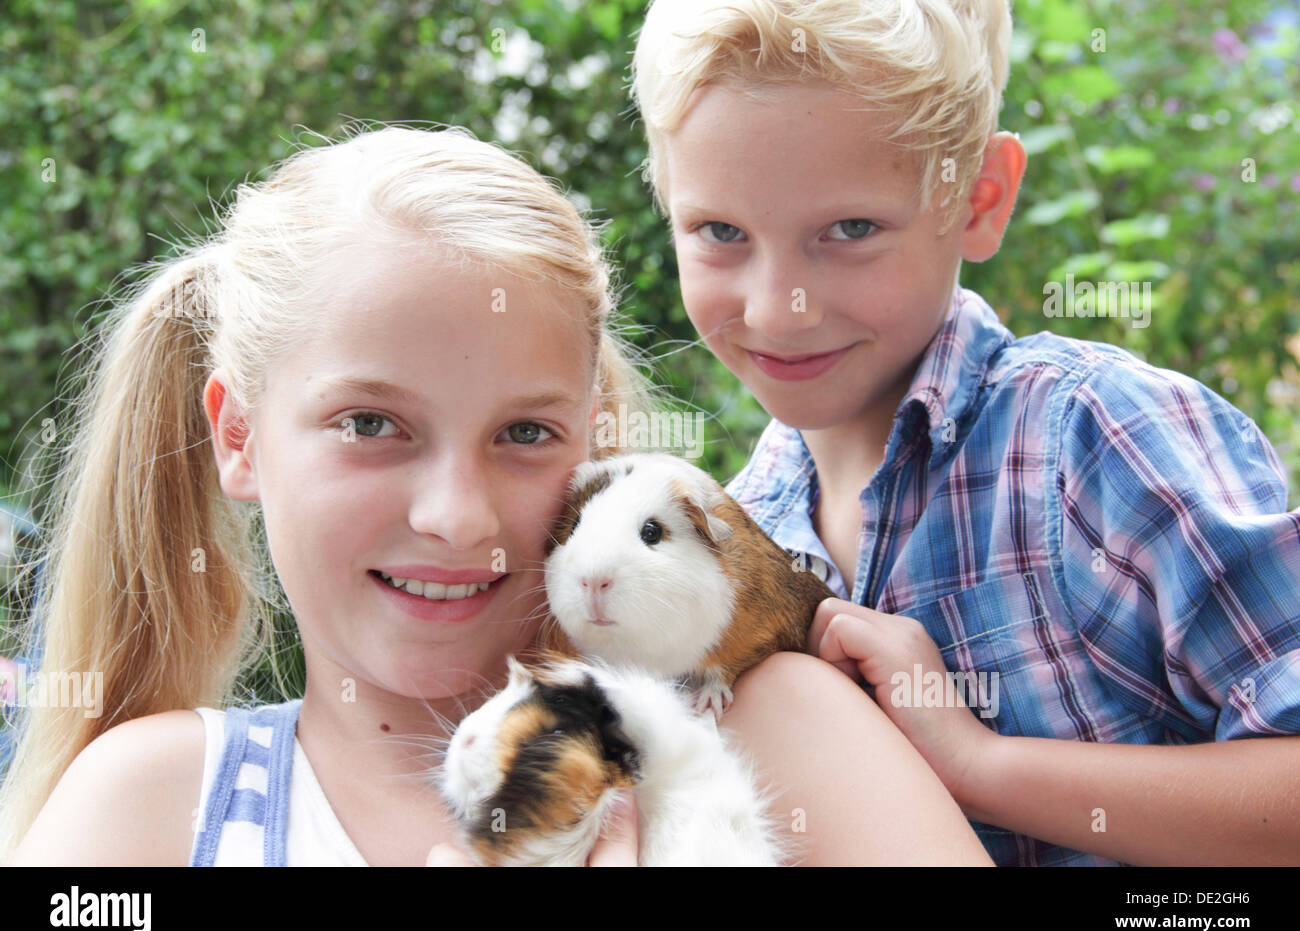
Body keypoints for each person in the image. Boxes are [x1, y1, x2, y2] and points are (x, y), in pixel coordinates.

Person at [0, 123, 992, 866]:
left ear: (595, 445)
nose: (456, 515)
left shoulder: (766, 736)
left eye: (524, 434)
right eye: (369, 424)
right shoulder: (151, 811)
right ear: (239, 436)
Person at [630, 0, 1300, 865]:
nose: (776, 309)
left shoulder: (1094, 438)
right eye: (720, 232)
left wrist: (979, 764)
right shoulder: (738, 536)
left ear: (980, 201)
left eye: (850, 230)